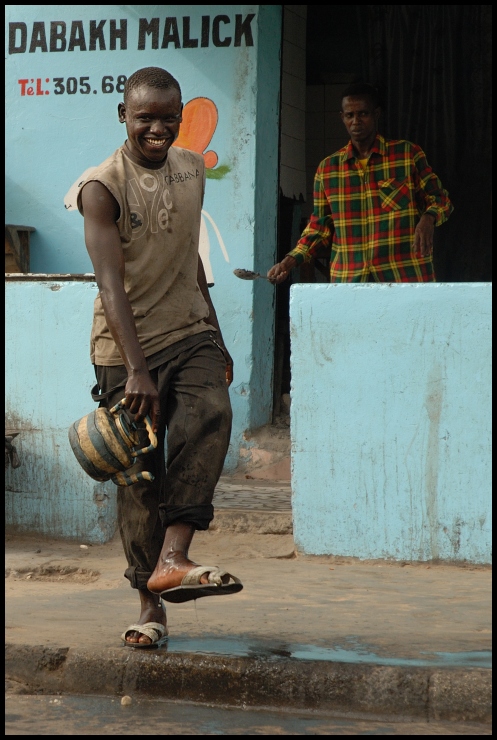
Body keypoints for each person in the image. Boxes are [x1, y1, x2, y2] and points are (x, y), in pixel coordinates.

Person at [77, 66, 242, 648]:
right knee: (140, 478)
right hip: (126, 347)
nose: (157, 128)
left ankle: (176, 557)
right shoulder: (101, 187)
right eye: (145, 117)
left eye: (168, 118)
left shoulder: (192, 169)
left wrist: (216, 335)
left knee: (211, 417)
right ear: (124, 116)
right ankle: (150, 603)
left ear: (180, 118)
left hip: (188, 329)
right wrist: (138, 371)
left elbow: (190, 258)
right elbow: (109, 284)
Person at [268, 82, 453, 284]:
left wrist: (428, 219)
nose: (356, 121)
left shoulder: (407, 155)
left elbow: (441, 199)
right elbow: (318, 227)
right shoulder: (328, 169)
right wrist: (287, 262)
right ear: (342, 118)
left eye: (363, 114)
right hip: (350, 279)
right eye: (349, 115)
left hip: (404, 274)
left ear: (376, 115)